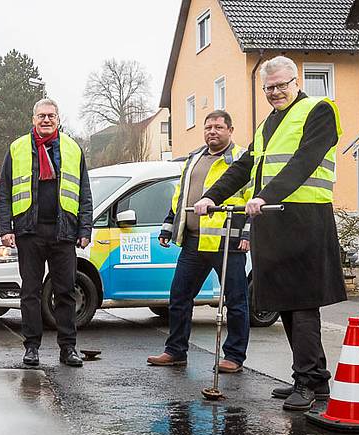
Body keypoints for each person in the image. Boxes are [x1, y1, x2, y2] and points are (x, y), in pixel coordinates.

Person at [193, 56, 346, 410]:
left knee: (303, 303)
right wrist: (210, 196)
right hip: (275, 221)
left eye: (281, 85)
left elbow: (304, 161)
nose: (276, 92)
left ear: (296, 81)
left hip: (306, 219)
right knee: (287, 304)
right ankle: (314, 380)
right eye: (269, 88)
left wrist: (265, 196)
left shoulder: (319, 110)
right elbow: (245, 166)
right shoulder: (267, 125)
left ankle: (307, 382)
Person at [147, 110, 250, 372]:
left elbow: (252, 198)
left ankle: (234, 356)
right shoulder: (194, 158)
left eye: (218, 127)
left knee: (235, 301)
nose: (212, 131)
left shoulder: (240, 159)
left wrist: (249, 234)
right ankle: (175, 351)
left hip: (227, 241)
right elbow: (180, 197)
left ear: (230, 130)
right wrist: (168, 227)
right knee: (179, 297)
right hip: (193, 240)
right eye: (208, 127)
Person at [0, 98, 92, 367]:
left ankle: (68, 348)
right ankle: (31, 348)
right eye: (41, 116)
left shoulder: (73, 149)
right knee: (30, 292)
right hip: (29, 232)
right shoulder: (17, 149)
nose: (47, 120)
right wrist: (6, 228)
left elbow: (84, 192)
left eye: (51, 115)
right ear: (33, 120)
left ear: (59, 119)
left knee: (65, 292)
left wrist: (84, 228)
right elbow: (4, 192)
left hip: (64, 232)